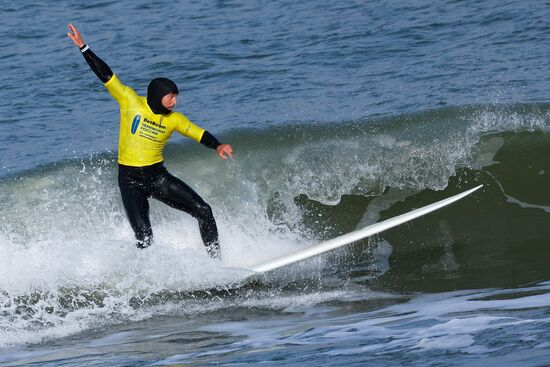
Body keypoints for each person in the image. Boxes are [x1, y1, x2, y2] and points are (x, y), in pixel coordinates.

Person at [67, 23, 232, 259]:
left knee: (204, 211)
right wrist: (83, 47)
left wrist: (217, 145)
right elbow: (106, 75)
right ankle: (149, 282)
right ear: (157, 96)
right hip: (130, 181)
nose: (174, 102)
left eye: (176, 98)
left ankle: (217, 263)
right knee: (144, 237)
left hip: (158, 177)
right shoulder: (130, 102)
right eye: (171, 97)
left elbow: (198, 133)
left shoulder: (174, 119)